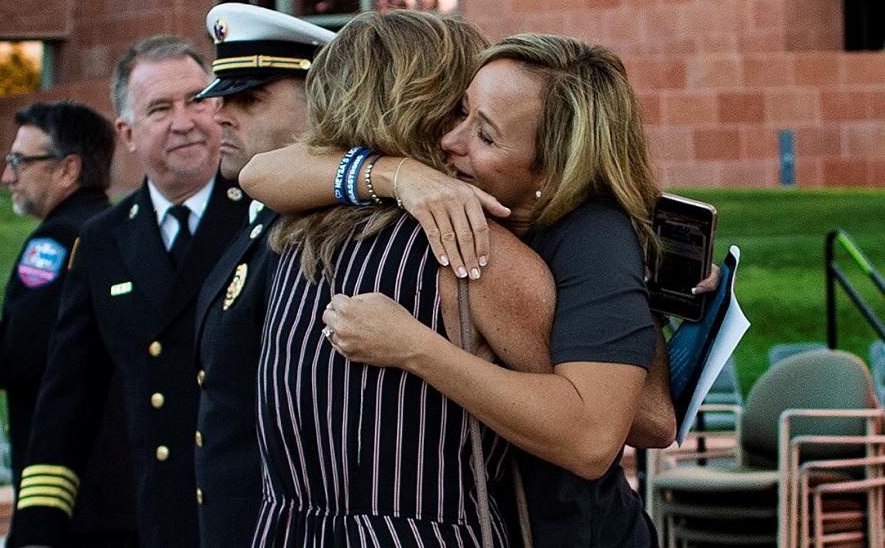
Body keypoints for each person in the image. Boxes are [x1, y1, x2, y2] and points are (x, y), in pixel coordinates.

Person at [245, 33, 680, 546]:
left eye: (485, 134)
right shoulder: (381, 210)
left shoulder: (582, 241)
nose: (453, 140)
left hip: (573, 530)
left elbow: (632, 424)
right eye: (460, 112)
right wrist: (398, 174)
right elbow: (258, 173)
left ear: (551, 168)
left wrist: (416, 348)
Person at [251, 10, 556, 547]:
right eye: (464, 103)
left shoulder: (291, 230)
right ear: (433, 108)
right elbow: (603, 417)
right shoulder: (471, 248)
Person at [9, 35, 244, 548]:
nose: (185, 122)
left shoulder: (265, 218)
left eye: (198, 100)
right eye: (160, 109)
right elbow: (67, 400)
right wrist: (34, 534)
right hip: (162, 521)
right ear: (128, 132)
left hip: (254, 522)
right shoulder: (104, 241)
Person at [190, 3, 334, 548]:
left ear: (320, 103)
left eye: (249, 99)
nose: (219, 115)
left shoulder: (319, 237)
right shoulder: (258, 221)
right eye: (221, 98)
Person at [0, 100, 138, 548]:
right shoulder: (119, 229)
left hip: (67, 494)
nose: (9, 176)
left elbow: (11, 355)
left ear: (68, 170)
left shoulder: (58, 240)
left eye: (20, 161)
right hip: (127, 487)